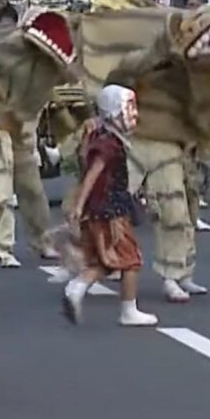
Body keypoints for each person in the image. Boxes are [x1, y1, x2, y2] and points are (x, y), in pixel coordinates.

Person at [62, 85, 157, 327]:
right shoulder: (110, 144)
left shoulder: (99, 138)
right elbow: (93, 174)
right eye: (129, 108)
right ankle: (129, 310)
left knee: (107, 261)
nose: (134, 114)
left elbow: (85, 162)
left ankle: (77, 287)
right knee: (130, 259)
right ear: (113, 111)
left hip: (100, 209)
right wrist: (78, 205)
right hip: (110, 211)